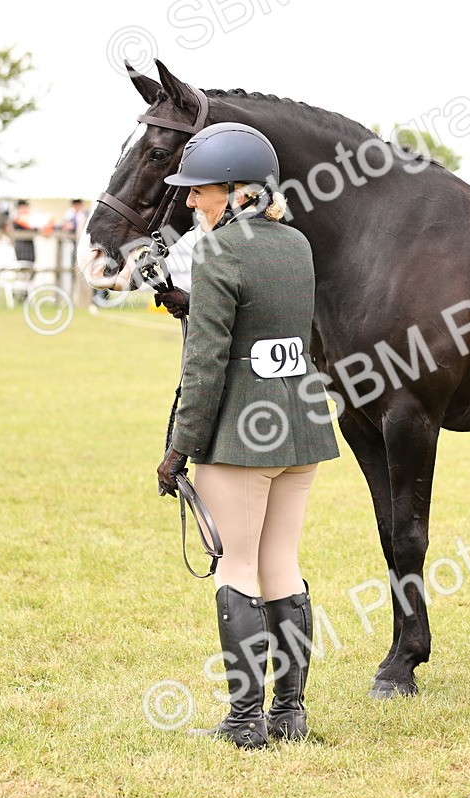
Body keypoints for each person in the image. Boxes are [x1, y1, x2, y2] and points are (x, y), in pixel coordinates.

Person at [153, 122, 340, 750]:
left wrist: (178, 450)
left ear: (237, 191)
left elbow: (205, 367)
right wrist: (193, 299)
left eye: (199, 190)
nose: (188, 202)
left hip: (240, 434)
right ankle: (289, 713)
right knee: (280, 563)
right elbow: (265, 325)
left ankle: (243, 721)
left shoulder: (217, 254)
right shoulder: (296, 245)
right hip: (300, 428)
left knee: (237, 564)